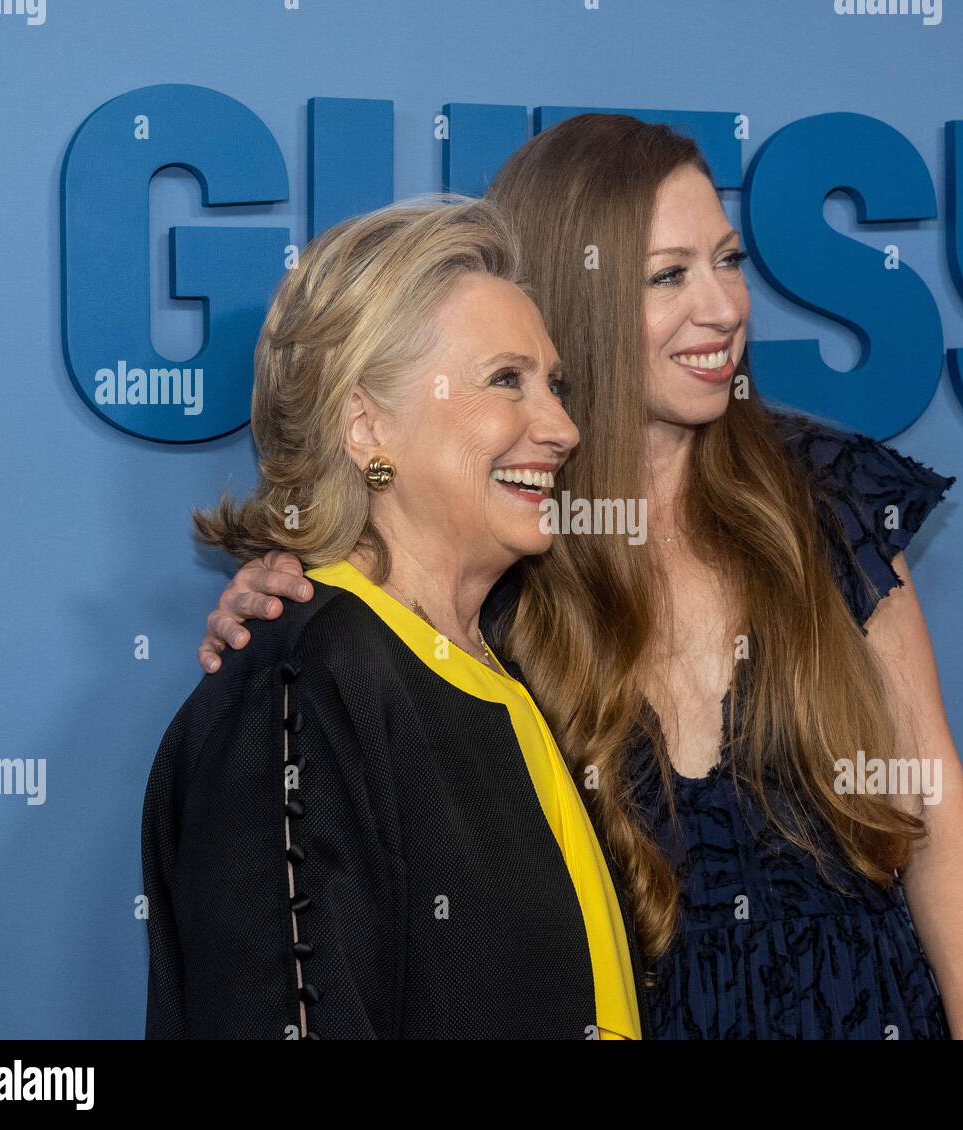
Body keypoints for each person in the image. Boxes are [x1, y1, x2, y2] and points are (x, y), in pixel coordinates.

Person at [197, 115, 963, 1040]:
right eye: (668, 276)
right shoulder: (510, 531)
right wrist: (280, 594)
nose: (724, 308)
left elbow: (927, 794)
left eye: (729, 260)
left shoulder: (825, 499)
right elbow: (366, 618)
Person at [142, 196, 645, 1039]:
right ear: (366, 425)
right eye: (505, 381)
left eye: (554, 386)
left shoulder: (498, 669)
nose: (561, 427)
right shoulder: (300, 679)